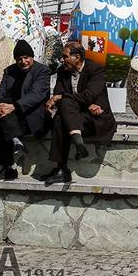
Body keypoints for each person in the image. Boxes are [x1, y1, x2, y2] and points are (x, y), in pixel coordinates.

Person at [42, 41, 116, 185]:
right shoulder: (62, 72)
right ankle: (68, 158)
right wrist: (58, 100)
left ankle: (62, 167)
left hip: (94, 119)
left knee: (64, 105)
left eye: (65, 56)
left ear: (77, 57)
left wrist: (61, 97)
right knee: (60, 117)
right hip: (75, 117)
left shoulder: (96, 70)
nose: (62, 60)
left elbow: (88, 95)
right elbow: (59, 93)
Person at [0, 40, 51, 181]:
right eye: (19, 59)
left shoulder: (42, 71)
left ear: (32, 57)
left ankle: (7, 167)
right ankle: (16, 142)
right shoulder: (9, 71)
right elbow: (0, 92)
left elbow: (36, 95)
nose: (23, 61)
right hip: (10, 115)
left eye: (26, 58)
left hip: (31, 116)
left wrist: (13, 107)